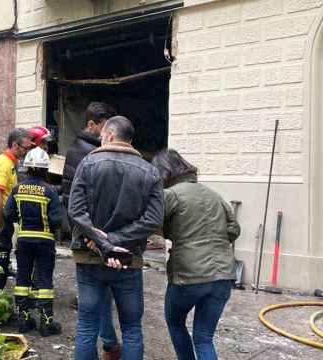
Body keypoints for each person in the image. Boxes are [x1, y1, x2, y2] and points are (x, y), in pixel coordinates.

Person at [68, 116, 164, 360]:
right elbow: (153, 220)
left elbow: (76, 211)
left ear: (109, 135)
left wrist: (102, 241)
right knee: (132, 329)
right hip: (128, 260)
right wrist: (116, 240)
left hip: (89, 258)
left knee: (87, 326)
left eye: (102, 136)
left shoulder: (88, 164)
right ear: (129, 140)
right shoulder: (150, 171)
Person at [152, 149, 240, 360]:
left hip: (189, 276)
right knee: (204, 337)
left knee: (175, 322)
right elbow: (234, 230)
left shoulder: (170, 195)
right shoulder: (213, 194)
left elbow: (153, 223)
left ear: (163, 173)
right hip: (223, 276)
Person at [62, 102, 121, 359]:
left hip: (102, 237)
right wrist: (89, 236)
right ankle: (109, 344)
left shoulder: (92, 149)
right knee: (91, 308)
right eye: (105, 127)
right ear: (92, 125)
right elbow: (73, 200)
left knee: (101, 298)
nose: (110, 133)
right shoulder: (83, 152)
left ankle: (109, 343)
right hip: (90, 239)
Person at [5, 147, 62, 336]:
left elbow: (8, 214)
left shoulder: (17, 189)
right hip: (45, 241)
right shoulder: (50, 191)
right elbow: (57, 220)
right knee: (44, 279)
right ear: (46, 169)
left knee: (22, 278)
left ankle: (24, 321)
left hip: (24, 240)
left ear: (26, 168)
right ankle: (46, 324)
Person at [0, 128, 33, 289]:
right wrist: (0, 224)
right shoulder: (4, 164)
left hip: (0, 218)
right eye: (24, 148)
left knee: (1, 264)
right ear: (14, 144)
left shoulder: (10, 163)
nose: (26, 151)